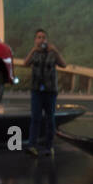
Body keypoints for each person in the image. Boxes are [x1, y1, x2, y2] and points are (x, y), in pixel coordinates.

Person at [26, 28, 66, 156]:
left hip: (50, 91)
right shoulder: (34, 53)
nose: (41, 40)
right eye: (39, 37)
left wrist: (55, 50)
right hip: (36, 90)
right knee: (35, 118)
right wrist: (33, 50)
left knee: (50, 119)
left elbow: (64, 64)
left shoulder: (52, 53)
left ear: (47, 40)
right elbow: (25, 63)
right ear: (35, 40)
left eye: (43, 37)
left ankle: (49, 146)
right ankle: (32, 145)